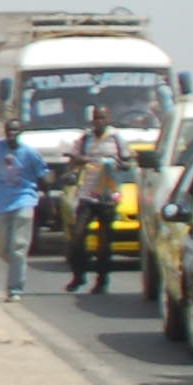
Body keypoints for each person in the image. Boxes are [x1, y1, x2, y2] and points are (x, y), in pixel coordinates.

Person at [0, 119, 51, 300]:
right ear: (5, 132)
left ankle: (15, 289)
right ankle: (16, 265)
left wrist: (49, 200)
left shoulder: (29, 153)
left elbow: (42, 177)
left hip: (24, 201)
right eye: (9, 130)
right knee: (2, 248)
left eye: (15, 130)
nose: (12, 134)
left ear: (20, 132)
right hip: (0, 205)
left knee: (18, 247)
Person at [66, 106, 134, 294]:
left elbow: (127, 163)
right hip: (87, 195)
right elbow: (73, 160)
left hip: (107, 196)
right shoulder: (85, 138)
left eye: (102, 117)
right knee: (77, 236)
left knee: (104, 241)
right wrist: (82, 159)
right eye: (96, 118)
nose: (99, 121)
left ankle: (102, 280)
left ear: (108, 119)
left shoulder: (116, 138)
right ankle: (79, 275)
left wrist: (115, 163)